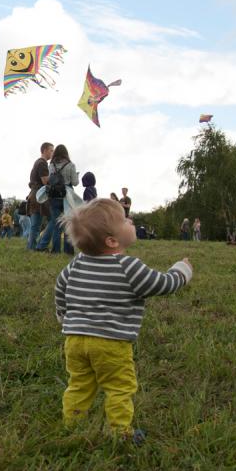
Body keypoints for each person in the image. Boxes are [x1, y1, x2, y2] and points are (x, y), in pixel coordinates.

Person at [55, 198, 193, 442]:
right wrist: (181, 271)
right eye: (125, 220)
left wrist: (63, 316)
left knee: (79, 383)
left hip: (74, 341)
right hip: (111, 344)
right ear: (112, 241)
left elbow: (60, 288)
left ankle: (72, 424)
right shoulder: (128, 267)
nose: (131, 221)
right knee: (119, 387)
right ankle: (121, 433)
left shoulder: (75, 264)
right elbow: (163, 284)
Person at [36, 144, 79, 254]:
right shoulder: (71, 165)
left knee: (56, 224)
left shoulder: (51, 165)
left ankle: (55, 250)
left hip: (54, 195)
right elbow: (75, 182)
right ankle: (68, 251)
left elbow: (50, 180)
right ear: (66, 153)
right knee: (68, 223)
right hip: (67, 195)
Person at [27, 142, 54, 250]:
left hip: (34, 194)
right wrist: (55, 177)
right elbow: (45, 181)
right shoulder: (42, 163)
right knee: (53, 219)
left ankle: (32, 247)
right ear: (45, 150)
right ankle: (39, 246)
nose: (52, 153)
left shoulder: (37, 162)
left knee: (35, 224)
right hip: (39, 196)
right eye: (51, 150)